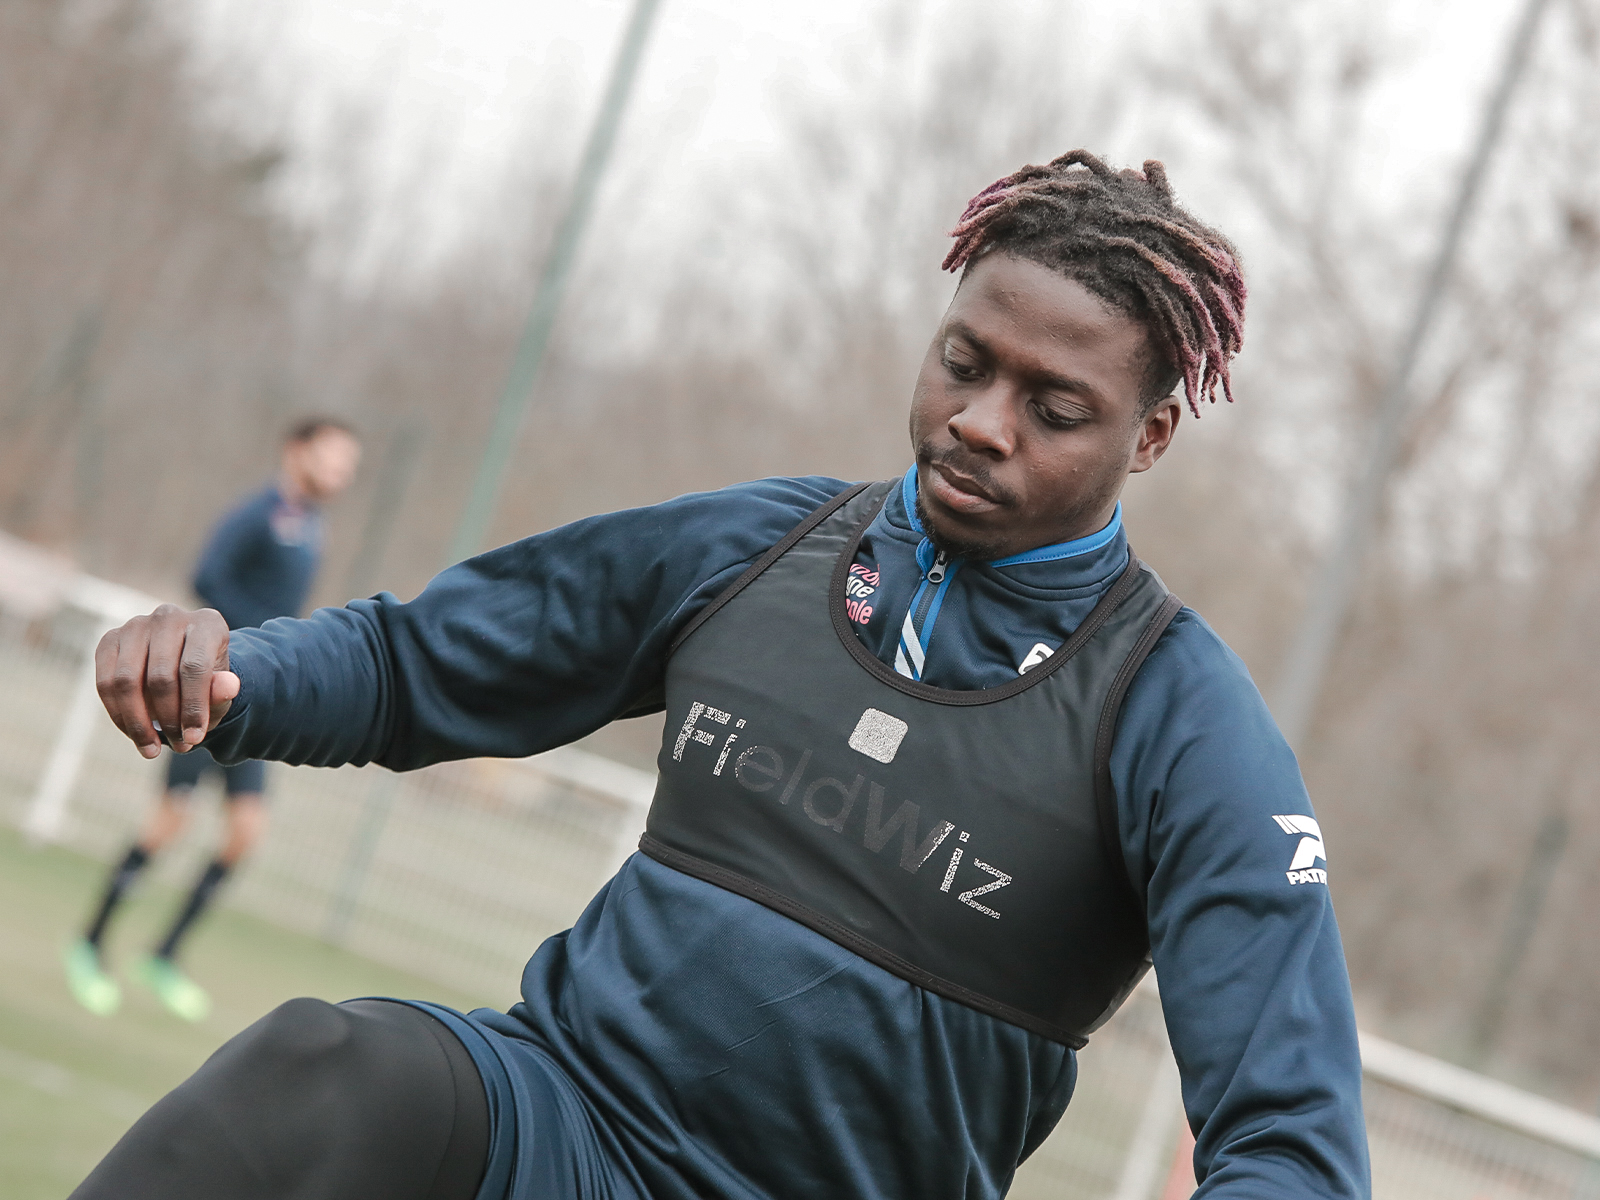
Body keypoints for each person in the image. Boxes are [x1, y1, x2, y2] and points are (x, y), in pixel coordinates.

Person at [75, 152, 1370, 1199]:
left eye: (1055, 405)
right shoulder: (764, 547)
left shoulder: (1183, 721)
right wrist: (231, 670)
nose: (981, 420)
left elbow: (1293, 1146)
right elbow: (420, 661)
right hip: (564, 1122)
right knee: (320, 1067)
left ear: (1147, 437)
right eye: (965, 363)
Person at [65, 418, 361, 1022]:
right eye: (330, 458)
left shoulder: (312, 525)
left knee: (245, 832)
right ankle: (91, 943)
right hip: (209, 690)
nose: (339, 473)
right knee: (171, 820)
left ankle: (165, 955)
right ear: (296, 451)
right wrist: (253, 637)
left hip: (255, 699)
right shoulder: (257, 512)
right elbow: (206, 578)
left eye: (347, 464)